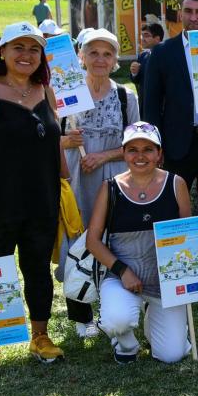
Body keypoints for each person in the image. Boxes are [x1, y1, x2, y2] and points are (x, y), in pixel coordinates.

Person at [0, 22, 67, 369]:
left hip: (42, 201)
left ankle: (40, 336)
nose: (26, 55)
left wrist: (65, 186)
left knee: (37, 270)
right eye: (18, 47)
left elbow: (54, 144)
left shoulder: (46, 92)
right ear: (2, 52)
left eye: (34, 49)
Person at [88, 123, 194, 364]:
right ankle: (125, 342)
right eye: (132, 149)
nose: (140, 156)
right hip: (122, 278)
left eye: (148, 149)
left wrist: (186, 278)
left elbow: (188, 236)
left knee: (172, 355)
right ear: (124, 153)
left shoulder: (176, 184)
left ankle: (153, 318)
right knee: (117, 319)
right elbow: (92, 241)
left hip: (165, 281)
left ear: (159, 154)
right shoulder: (110, 188)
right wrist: (123, 271)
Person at [139, 0, 198, 283]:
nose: (194, 17)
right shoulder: (163, 52)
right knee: (173, 206)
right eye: (188, 11)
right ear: (180, 14)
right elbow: (151, 103)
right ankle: (175, 265)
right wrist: (155, 146)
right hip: (177, 142)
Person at [59, 27, 140, 338]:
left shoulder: (125, 96)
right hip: (77, 177)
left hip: (113, 176)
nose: (100, 59)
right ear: (81, 56)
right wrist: (67, 140)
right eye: (93, 52)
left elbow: (137, 144)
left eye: (107, 54)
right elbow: (48, 137)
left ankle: (113, 304)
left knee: (112, 238)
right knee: (76, 240)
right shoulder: (66, 92)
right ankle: (81, 315)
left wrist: (103, 156)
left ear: (115, 60)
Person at [130, 22, 164, 92]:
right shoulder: (142, 56)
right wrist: (134, 73)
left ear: (157, 38)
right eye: (142, 35)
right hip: (144, 101)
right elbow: (136, 81)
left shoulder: (168, 57)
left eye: (146, 35)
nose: (142, 39)